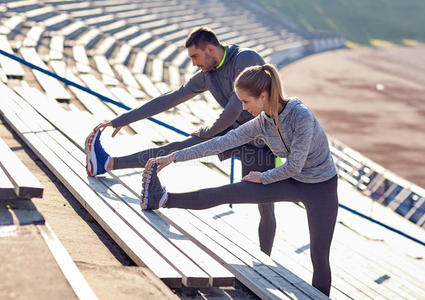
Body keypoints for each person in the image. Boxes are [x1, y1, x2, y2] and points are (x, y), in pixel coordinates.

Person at [140, 64, 339, 296]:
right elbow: (222, 142)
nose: (243, 108)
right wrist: (174, 157)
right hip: (289, 179)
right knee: (229, 192)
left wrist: (263, 177)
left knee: (319, 256)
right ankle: (162, 199)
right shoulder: (263, 121)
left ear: (263, 96)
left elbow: (294, 166)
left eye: (246, 102)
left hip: (321, 187)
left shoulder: (301, 116)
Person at [85, 27, 277, 255]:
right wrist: (123, 119)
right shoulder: (208, 74)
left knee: (264, 204)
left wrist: (206, 132)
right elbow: (171, 98)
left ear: (210, 49)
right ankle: (106, 163)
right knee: (176, 148)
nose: (194, 63)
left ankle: (265, 261)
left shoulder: (246, 59)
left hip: (261, 139)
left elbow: (235, 109)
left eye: (195, 56)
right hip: (230, 132)